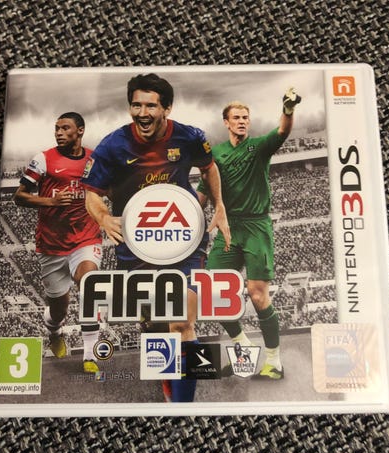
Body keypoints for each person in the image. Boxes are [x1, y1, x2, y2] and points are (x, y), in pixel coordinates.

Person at [83, 73, 230, 402]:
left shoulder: (189, 137)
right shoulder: (112, 146)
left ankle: (182, 406)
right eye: (136, 105)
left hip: (183, 239)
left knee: (181, 323)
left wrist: (219, 205)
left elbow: (209, 168)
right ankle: (167, 379)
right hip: (136, 247)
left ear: (167, 108)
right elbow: (92, 193)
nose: (142, 112)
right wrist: (103, 217)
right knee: (153, 325)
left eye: (151, 106)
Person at [198, 88, 301, 379]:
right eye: (236, 118)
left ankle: (274, 362)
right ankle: (243, 346)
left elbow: (282, 131)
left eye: (245, 117)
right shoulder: (216, 155)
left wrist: (288, 109)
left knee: (257, 295)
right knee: (213, 293)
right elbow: (203, 193)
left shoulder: (258, 147)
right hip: (228, 229)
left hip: (256, 227)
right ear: (226, 122)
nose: (242, 121)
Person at [14, 112, 102, 373]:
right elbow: (19, 196)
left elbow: (107, 188)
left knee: (90, 284)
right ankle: (54, 331)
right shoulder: (43, 160)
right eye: (57, 129)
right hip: (51, 244)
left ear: (80, 130)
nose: (59, 133)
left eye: (65, 128)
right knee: (58, 308)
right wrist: (50, 201)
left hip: (85, 237)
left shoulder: (94, 160)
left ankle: (90, 356)